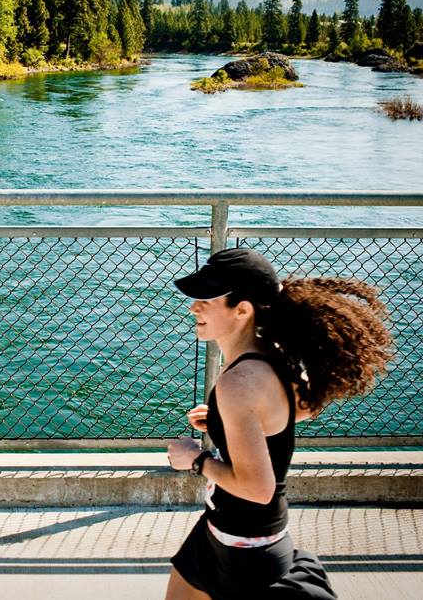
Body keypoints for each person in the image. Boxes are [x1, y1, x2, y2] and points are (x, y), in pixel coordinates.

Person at [165, 247, 393, 599]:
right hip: (223, 530)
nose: (194, 306)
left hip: (246, 550)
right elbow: (302, 407)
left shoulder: (239, 382)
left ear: (242, 310)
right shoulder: (271, 354)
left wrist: (195, 460)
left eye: (207, 299)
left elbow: (258, 489)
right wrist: (225, 423)